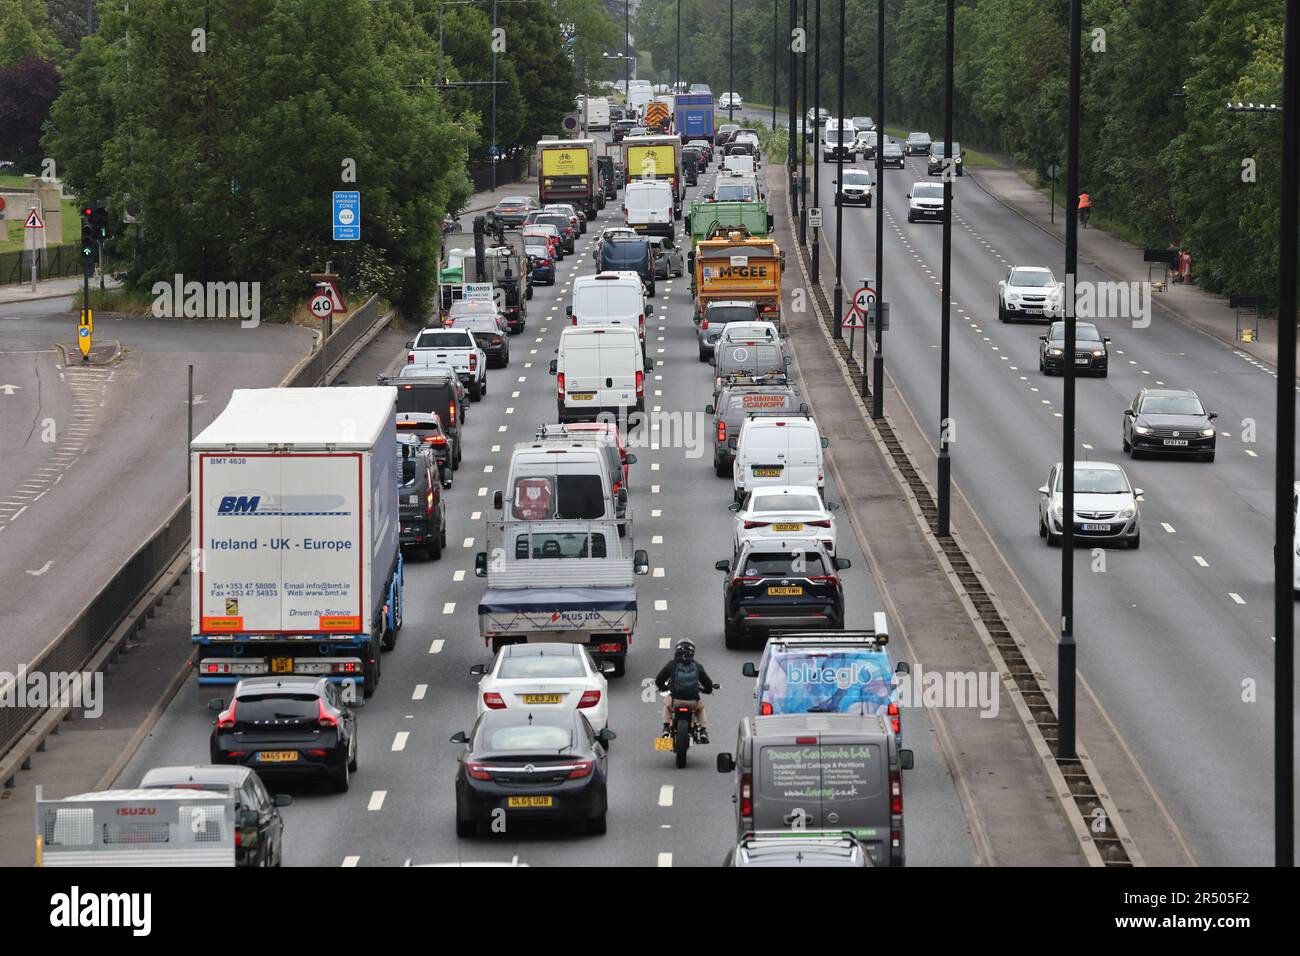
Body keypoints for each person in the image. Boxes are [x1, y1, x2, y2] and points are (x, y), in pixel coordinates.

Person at [655, 639, 715, 744]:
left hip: (675, 701)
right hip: (693, 702)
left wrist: (662, 687)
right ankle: (703, 731)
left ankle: (666, 729)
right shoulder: (696, 666)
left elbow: (659, 679)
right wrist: (708, 690)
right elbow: (708, 683)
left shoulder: (672, 664)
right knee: (701, 708)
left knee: (666, 703)